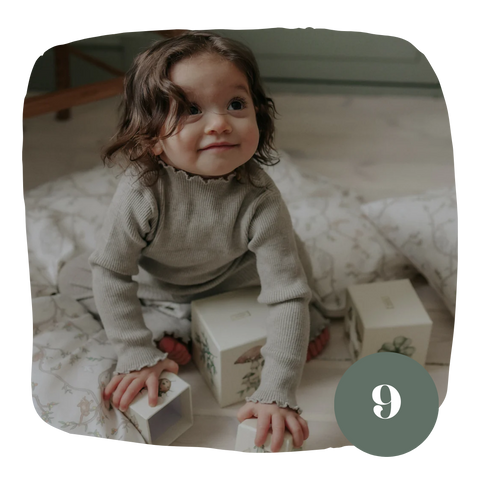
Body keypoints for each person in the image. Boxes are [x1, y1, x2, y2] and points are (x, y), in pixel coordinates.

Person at [58, 29, 330, 455]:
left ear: (259, 112)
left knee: (298, 265)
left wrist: (277, 389)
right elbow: (112, 271)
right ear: (150, 135)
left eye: (236, 104)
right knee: (75, 275)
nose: (220, 122)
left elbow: (285, 295)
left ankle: (316, 314)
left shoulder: (260, 197)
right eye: (190, 109)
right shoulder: (142, 191)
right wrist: (135, 352)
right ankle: (171, 328)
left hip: (237, 277)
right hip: (159, 282)